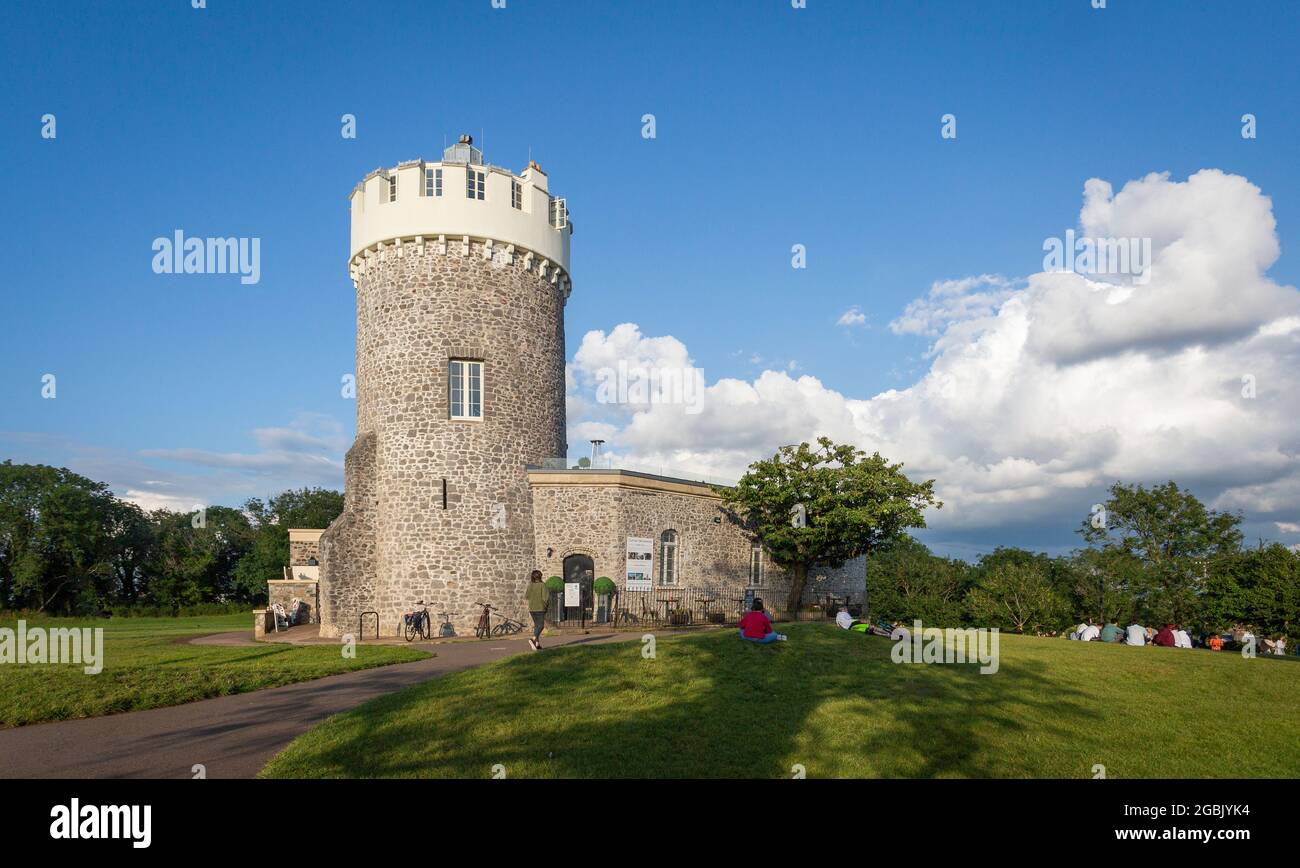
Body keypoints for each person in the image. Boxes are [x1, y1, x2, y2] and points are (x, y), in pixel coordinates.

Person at [525, 569, 549, 651]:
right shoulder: (542, 585)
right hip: (540, 608)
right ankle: (533, 639)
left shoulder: (530, 585)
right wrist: (546, 606)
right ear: (540, 576)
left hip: (532, 608)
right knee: (541, 625)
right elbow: (545, 598)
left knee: (537, 626)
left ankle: (537, 644)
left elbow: (527, 596)